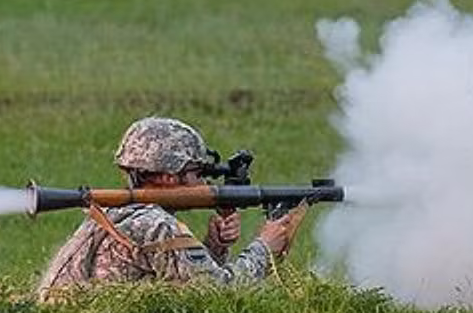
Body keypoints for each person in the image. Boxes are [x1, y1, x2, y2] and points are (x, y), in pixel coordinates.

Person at [37, 116, 308, 300]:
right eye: (197, 172)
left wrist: (214, 248)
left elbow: (178, 282)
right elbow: (219, 294)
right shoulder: (156, 225)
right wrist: (264, 247)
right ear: (169, 176)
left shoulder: (114, 211)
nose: (203, 182)